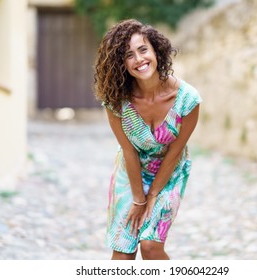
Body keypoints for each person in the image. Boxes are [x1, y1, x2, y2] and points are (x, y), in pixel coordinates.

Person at [94, 19, 202, 260]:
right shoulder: (116, 102)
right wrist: (138, 199)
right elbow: (129, 151)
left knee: (151, 247)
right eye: (128, 55)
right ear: (120, 64)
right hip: (130, 174)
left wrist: (153, 195)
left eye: (143, 50)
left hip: (170, 173)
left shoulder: (188, 100)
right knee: (122, 254)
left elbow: (175, 152)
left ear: (155, 50)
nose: (139, 59)